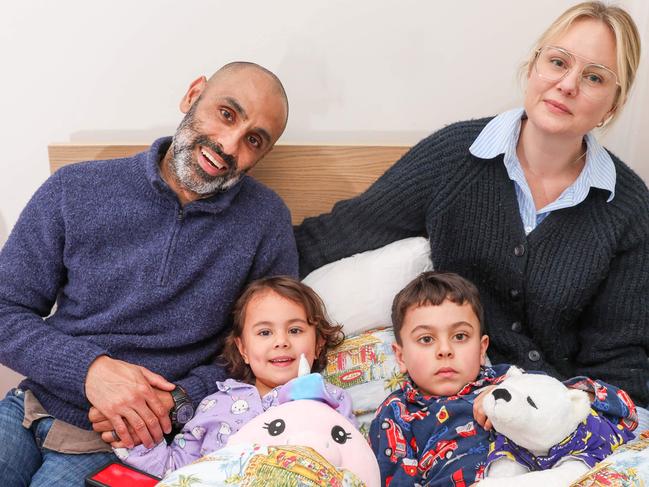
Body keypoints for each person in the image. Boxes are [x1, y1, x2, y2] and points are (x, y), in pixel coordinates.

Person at [296, 2, 649, 425]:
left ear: (613, 104)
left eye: (594, 77)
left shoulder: (627, 208)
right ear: (533, 67)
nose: (568, 84)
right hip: (453, 409)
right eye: (558, 62)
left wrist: (573, 426)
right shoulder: (453, 159)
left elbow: (620, 361)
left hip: (557, 417)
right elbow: (338, 235)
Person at [0, 61, 298, 485]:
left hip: (135, 442)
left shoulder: (266, 222)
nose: (229, 145)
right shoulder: (75, 188)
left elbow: (264, 353)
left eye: (253, 140)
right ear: (193, 94)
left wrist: (177, 401)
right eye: (226, 114)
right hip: (29, 407)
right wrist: (90, 371)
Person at [369, 271, 636, 486]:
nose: (445, 350)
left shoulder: (510, 381)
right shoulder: (396, 413)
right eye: (426, 339)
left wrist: (577, 396)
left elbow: (620, 406)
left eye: (460, 336)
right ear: (401, 356)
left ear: (482, 347)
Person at [112, 276, 352, 478]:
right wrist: (136, 438)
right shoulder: (216, 404)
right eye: (265, 332)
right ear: (243, 349)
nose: (281, 341)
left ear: (319, 344)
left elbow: (351, 461)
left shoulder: (331, 401)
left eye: (295, 330)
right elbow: (175, 470)